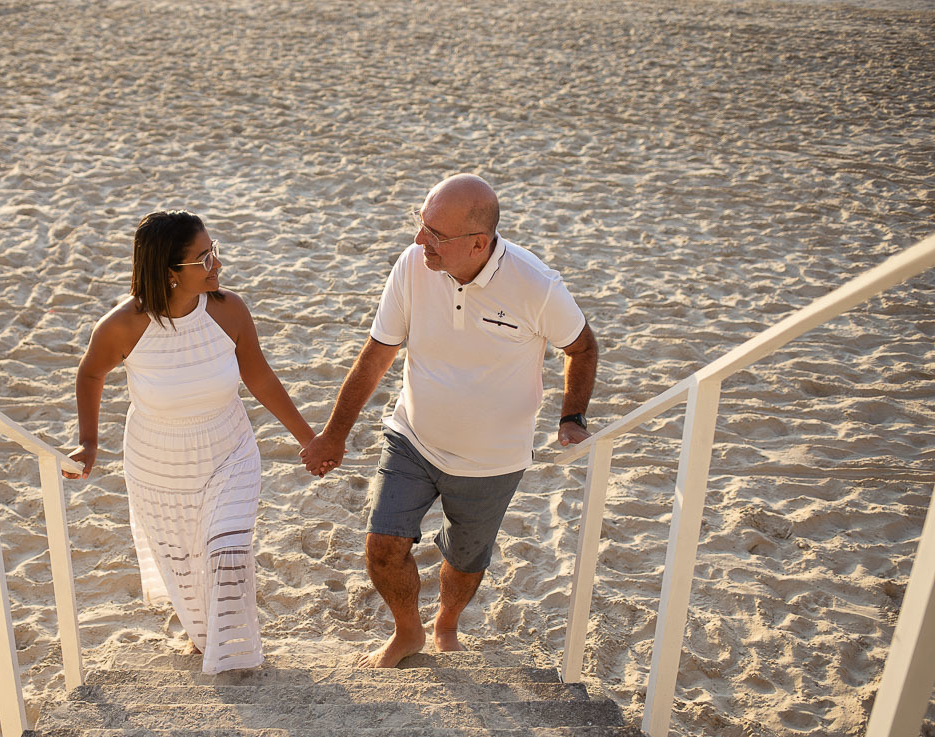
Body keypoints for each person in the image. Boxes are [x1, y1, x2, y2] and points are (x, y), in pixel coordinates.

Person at [301, 174, 598, 668]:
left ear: (478, 243)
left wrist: (572, 416)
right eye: (421, 225)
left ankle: (446, 624)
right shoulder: (413, 265)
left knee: (464, 560)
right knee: (382, 546)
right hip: (413, 437)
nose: (420, 241)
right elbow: (377, 354)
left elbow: (582, 347)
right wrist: (334, 433)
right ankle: (408, 631)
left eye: (435, 234)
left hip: (492, 460)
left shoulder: (536, 286)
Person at [65, 210, 323, 674]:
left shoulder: (228, 311)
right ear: (169, 271)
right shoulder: (122, 327)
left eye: (214, 251)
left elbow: (259, 376)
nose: (216, 264)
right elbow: (90, 373)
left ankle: (236, 660)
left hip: (229, 452)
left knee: (226, 550)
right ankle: (205, 640)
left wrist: (310, 440)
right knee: (186, 564)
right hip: (158, 464)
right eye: (204, 258)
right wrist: (88, 442)